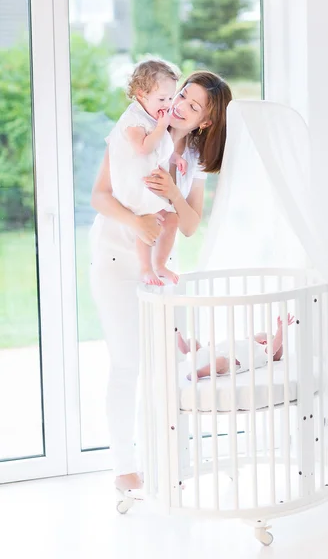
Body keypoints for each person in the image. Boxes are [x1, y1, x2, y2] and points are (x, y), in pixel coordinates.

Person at [90, 71, 233, 496]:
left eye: (192, 105)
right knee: (127, 362)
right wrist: (136, 221)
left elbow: (189, 226)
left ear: (205, 122)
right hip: (116, 259)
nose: (179, 106)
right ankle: (123, 467)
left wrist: (172, 190)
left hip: (158, 265)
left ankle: (174, 458)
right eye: (182, 95)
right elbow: (100, 195)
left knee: (171, 368)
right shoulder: (137, 128)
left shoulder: (194, 157)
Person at [106, 58, 185, 286]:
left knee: (171, 219)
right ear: (141, 94)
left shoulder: (153, 116)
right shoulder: (133, 120)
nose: (168, 103)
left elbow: (159, 148)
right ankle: (146, 268)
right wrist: (162, 126)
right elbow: (143, 148)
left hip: (148, 182)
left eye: (171, 97)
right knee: (150, 223)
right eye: (162, 98)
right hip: (134, 184)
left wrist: (175, 157)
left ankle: (160, 264)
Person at [177, 314, 295, 379]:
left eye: (256, 334)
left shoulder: (261, 352)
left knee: (222, 361)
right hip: (209, 353)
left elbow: (275, 345)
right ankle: (186, 347)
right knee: (193, 342)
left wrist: (280, 329)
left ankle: (198, 373)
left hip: (222, 365)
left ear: (264, 342)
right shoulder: (244, 343)